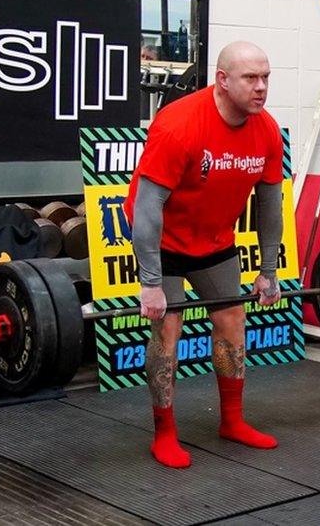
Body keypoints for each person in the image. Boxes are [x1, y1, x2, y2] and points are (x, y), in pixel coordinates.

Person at [123, 41, 284, 469]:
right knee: (167, 330)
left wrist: (268, 271)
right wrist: (152, 284)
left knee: (232, 320)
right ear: (222, 80)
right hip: (164, 240)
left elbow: (270, 205)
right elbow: (146, 207)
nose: (261, 87)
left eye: (266, 77)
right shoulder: (179, 125)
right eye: (251, 78)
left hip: (213, 240)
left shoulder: (266, 129)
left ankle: (232, 421)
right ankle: (165, 433)